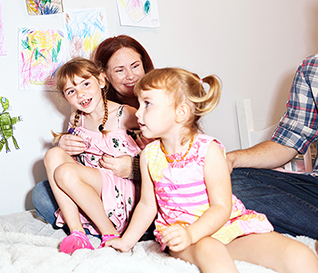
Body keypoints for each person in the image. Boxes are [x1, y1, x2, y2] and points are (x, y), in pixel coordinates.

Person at [106, 67, 318, 273]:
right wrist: (126, 241)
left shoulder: (210, 150)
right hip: (183, 234)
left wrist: (196, 233)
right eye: (139, 103)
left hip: (227, 226)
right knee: (210, 248)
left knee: (298, 254)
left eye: (147, 104)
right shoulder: (149, 155)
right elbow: (146, 205)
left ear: (180, 112)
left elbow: (221, 207)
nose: (139, 112)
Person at [33, 35, 154, 227]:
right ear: (105, 76)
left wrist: (134, 169)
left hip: (136, 192)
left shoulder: (142, 112)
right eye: (119, 70)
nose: (130, 76)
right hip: (94, 184)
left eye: (135, 66)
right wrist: (63, 144)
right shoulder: (82, 112)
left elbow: (174, 157)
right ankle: (82, 230)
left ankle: (111, 228)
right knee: (42, 191)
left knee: (56, 184)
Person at [44, 57, 141, 254]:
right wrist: (63, 142)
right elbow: (72, 156)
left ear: (102, 81)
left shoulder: (126, 114)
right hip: (92, 185)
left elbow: (159, 140)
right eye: (71, 91)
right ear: (65, 98)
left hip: (120, 186)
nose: (81, 93)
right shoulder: (76, 118)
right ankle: (77, 233)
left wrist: (133, 165)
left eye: (86, 83)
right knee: (52, 156)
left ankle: (109, 233)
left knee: (65, 173)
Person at [227, 54, 318, 240]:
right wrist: (230, 159)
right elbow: (286, 143)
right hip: (314, 189)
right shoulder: (312, 68)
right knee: (226, 181)